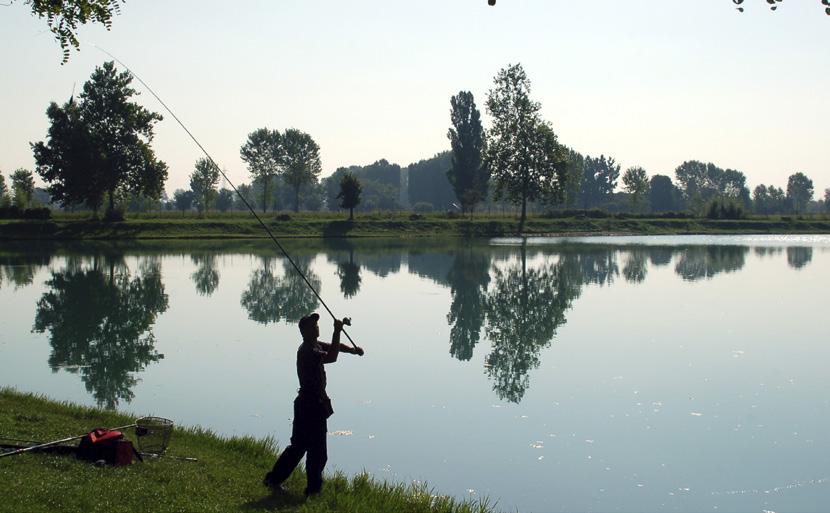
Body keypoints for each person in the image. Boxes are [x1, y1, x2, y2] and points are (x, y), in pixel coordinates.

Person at [263, 312, 364, 496]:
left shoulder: (314, 345)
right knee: (316, 451)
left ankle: (274, 480)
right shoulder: (308, 351)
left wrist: (352, 350)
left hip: (308, 405)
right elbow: (332, 356)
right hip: (311, 406)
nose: (316, 326)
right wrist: (337, 331)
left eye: (316, 324)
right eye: (312, 325)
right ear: (304, 331)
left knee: (299, 447)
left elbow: (336, 348)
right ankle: (312, 491)